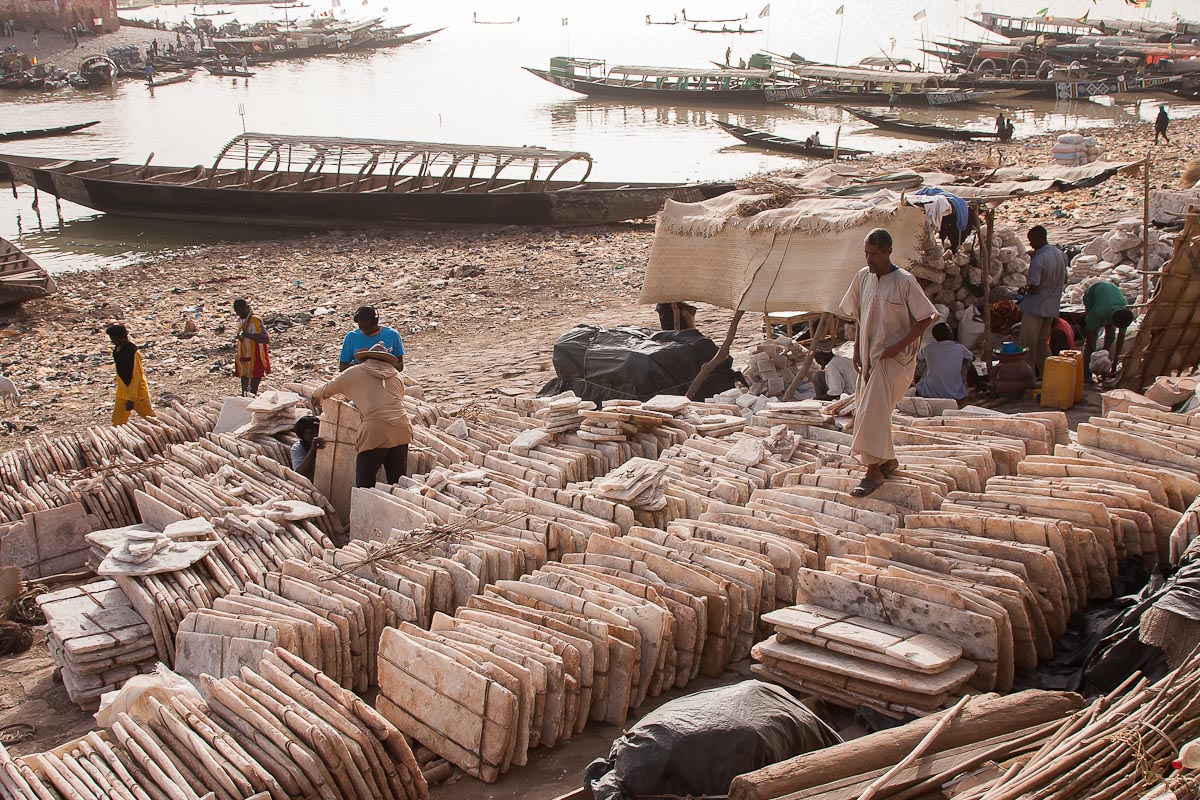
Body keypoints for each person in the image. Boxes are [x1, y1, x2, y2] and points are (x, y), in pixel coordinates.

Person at [838, 228, 938, 497]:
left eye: (874, 254)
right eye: (866, 254)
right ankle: (887, 460)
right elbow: (859, 314)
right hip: (870, 358)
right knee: (870, 410)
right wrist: (858, 348)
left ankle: (872, 471)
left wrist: (897, 347)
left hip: (894, 360)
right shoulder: (862, 277)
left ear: (888, 252)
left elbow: (926, 317)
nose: (869, 259)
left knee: (872, 412)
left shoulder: (904, 281)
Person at [312, 342, 413, 488]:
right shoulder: (397, 375)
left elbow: (328, 388)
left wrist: (315, 395)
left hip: (374, 430)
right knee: (397, 482)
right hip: (402, 428)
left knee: (365, 483)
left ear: (366, 358)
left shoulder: (355, 372)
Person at [1019, 225, 1068, 379]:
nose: (1031, 244)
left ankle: (1029, 377)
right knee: (1042, 344)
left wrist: (1024, 290)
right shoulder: (1060, 255)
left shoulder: (1039, 259)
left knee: (1027, 346)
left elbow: (1034, 287)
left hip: (1036, 308)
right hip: (1051, 307)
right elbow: (1064, 279)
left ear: (1039, 238)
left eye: (1032, 241)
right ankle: (1050, 377)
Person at [1083, 280, 1132, 380]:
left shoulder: (1125, 312)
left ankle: (1104, 369)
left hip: (1110, 299)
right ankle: (1086, 374)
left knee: (1111, 337)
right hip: (1092, 296)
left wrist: (1115, 361)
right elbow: (1088, 331)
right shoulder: (1099, 312)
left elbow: (1120, 338)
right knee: (1093, 336)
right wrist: (1095, 355)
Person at [107, 324, 155, 425]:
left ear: (120, 337)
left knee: (151, 418)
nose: (112, 341)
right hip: (122, 392)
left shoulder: (133, 352)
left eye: (113, 338)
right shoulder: (118, 350)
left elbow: (135, 377)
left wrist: (131, 398)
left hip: (137, 393)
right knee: (117, 421)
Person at [916, 323, 973, 400]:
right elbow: (972, 358)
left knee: (922, 362)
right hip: (954, 393)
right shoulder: (959, 348)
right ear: (950, 333)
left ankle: (917, 385)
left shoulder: (928, 348)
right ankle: (978, 384)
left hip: (929, 393)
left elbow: (918, 358)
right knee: (967, 361)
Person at [339, 306, 405, 371]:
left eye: (367, 327)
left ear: (375, 322)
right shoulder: (351, 337)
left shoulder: (392, 335)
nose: (364, 330)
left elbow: (400, 365)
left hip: (386, 375)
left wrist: (383, 367)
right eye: (361, 327)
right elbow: (343, 366)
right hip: (362, 376)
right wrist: (365, 368)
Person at [232, 298, 270, 396]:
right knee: (244, 392)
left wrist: (247, 335)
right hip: (244, 362)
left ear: (246, 308)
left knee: (250, 392)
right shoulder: (242, 320)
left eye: (240, 312)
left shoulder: (255, 320)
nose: (239, 315)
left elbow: (265, 339)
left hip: (254, 361)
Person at [289, 414, 323, 480]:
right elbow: (299, 473)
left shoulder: (326, 442)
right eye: (311, 433)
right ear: (302, 436)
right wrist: (312, 450)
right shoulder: (297, 448)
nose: (316, 435)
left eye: (317, 431)